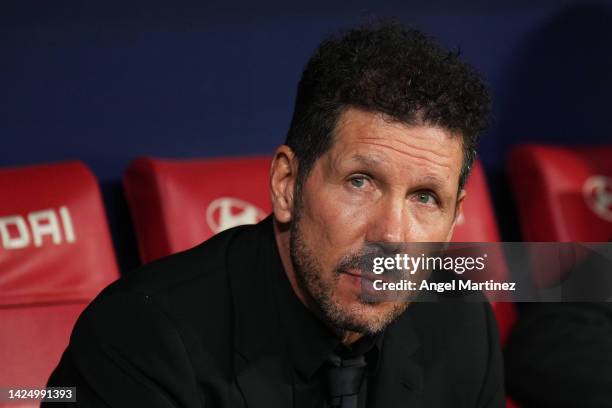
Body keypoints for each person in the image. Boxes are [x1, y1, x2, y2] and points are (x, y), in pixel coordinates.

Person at [45, 22, 503, 407]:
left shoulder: (460, 324)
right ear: (287, 184)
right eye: (360, 182)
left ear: (456, 214)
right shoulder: (139, 340)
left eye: (425, 198)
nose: (391, 234)